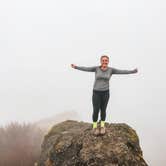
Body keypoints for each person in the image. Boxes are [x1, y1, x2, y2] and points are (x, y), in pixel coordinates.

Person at [71, 55, 138, 136]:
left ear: (108, 62)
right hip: (96, 93)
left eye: (106, 60)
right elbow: (86, 68)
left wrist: (132, 71)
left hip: (105, 93)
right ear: (101, 61)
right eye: (103, 60)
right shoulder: (96, 69)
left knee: (103, 110)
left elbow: (122, 71)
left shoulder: (111, 70)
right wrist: (76, 67)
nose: (104, 62)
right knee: (96, 110)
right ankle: (95, 127)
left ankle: (102, 126)